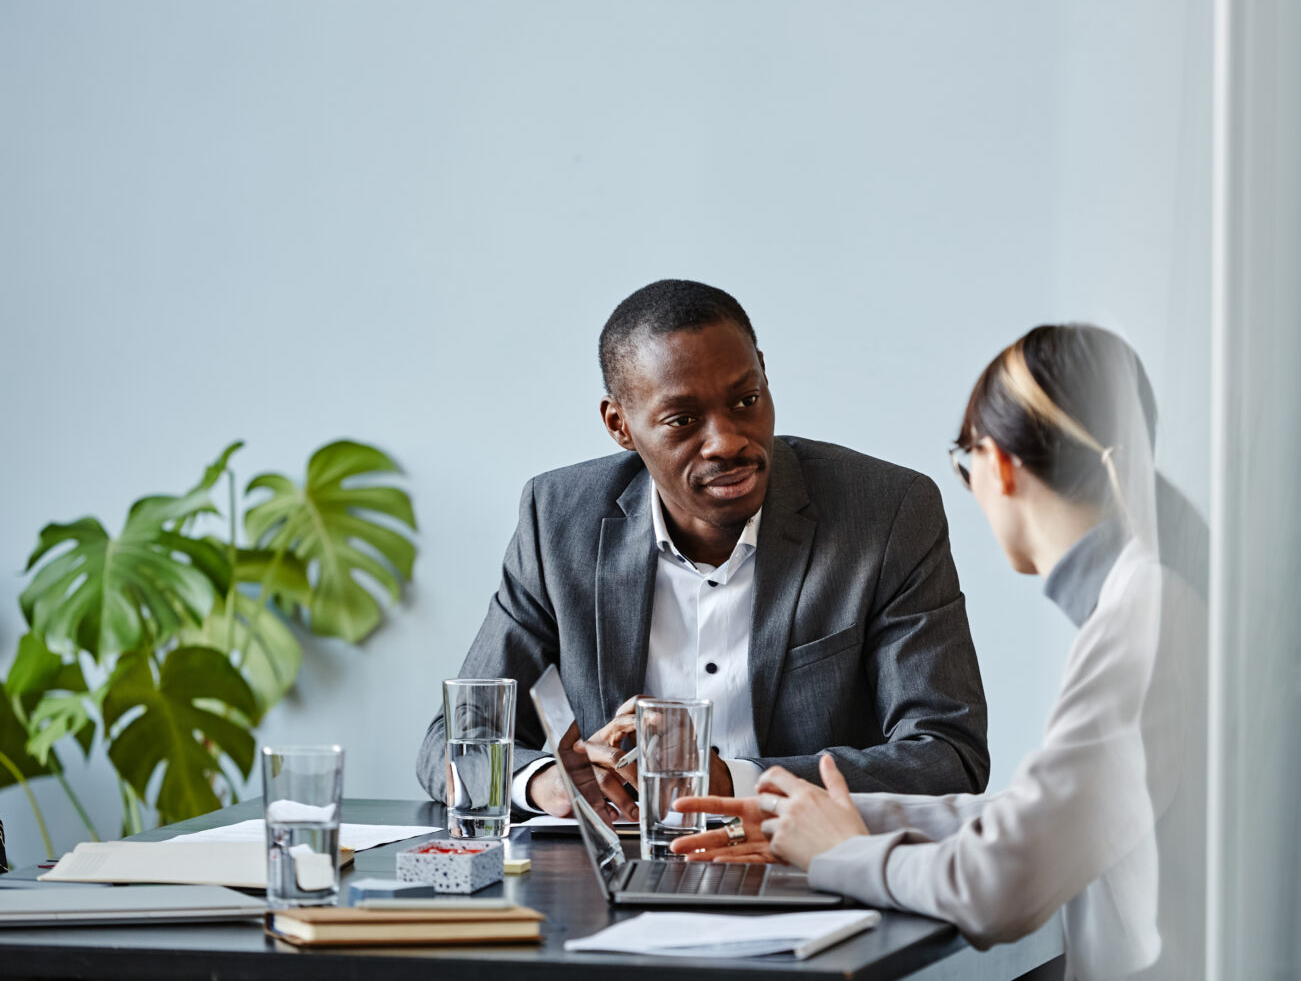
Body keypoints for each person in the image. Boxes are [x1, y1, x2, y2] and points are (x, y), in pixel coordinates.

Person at [674, 324, 1206, 981]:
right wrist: (801, 816)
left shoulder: (1142, 615)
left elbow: (1000, 885)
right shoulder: (1153, 596)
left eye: (965, 464)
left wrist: (842, 856)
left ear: (998, 465)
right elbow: (1026, 822)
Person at [416, 279, 990, 821]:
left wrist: (733, 783)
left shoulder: (884, 512)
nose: (727, 441)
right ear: (620, 424)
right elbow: (456, 737)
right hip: (613, 879)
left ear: (764, 375)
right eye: (684, 420)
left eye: (745, 401)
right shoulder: (559, 520)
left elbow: (948, 755)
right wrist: (545, 781)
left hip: (807, 872)